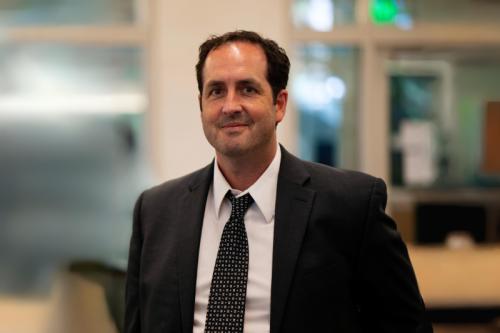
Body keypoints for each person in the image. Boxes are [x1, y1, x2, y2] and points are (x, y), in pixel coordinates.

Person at [125, 30, 432, 333]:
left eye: (247, 89)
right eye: (216, 91)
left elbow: (407, 326)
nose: (230, 106)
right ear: (202, 105)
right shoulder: (156, 211)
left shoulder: (351, 206)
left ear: (279, 104)